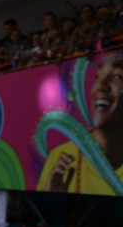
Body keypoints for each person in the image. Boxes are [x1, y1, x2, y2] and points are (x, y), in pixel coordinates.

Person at [37, 52, 123, 194]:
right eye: (98, 77)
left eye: (116, 77)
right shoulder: (61, 157)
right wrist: (54, 196)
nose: (101, 86)